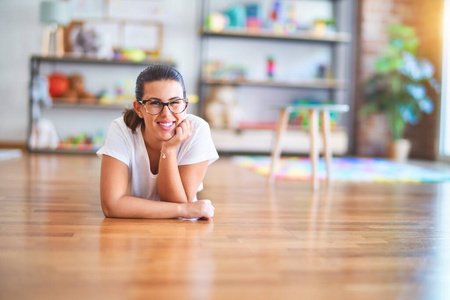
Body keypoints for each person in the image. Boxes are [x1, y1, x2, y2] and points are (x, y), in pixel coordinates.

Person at [97, 65, 219, 219]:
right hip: (130, 231)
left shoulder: (198, 130)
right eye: (155, 103)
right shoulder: (122, 129)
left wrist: (168, 149)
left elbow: (179, 201)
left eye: (175, 102)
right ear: (139, 109)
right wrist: (185, 210)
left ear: (185, 105)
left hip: (180, 232)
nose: (166, 114)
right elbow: (111, 206)